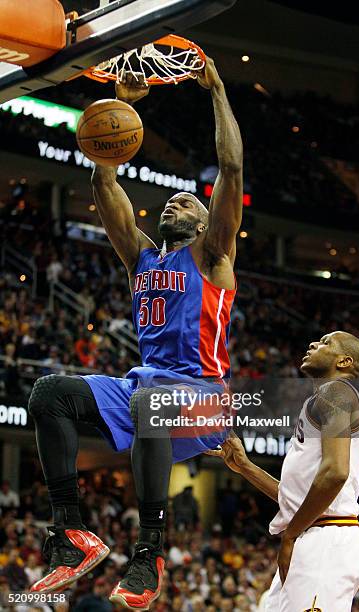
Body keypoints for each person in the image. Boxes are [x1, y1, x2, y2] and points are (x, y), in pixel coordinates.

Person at [28, 56, 243, 610]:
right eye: (174, 199)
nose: (177, 201)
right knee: (49, 394)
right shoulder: (143, 259)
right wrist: (119, 110)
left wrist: (216, 89)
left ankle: (149, 551)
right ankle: (70, 534)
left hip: (204, 394)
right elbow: (103, 180)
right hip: (145, 385)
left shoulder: (213, 254)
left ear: (205, 220)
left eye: (189, 201)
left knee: (153, 399)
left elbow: (231, 167)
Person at [207, 331, 359, 612]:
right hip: (314, 535)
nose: (313, 344)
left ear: (344, 361)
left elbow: (335, 473)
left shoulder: (337, 391)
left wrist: (291, 534)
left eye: (325, 343)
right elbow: (292, 497)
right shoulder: (323, 399)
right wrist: (245, 467)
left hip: (326, 539)